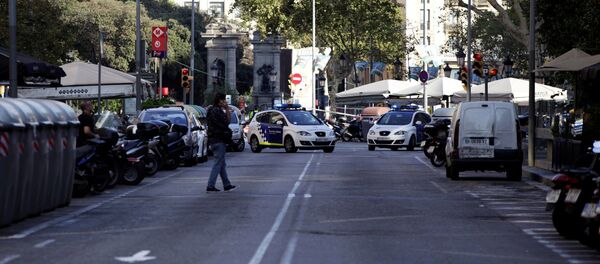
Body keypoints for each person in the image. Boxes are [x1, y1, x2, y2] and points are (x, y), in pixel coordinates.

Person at [206, 93, 236, 192]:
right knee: (218, 163)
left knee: (221, 163)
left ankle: (226, 184)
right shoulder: (217, 111)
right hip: (219, 139)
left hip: (213, 140)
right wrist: (227, 109)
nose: (224, 102)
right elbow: (227, 121)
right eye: (223, 100)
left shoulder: (210, 111)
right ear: (219, 101)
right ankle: (210, 185)